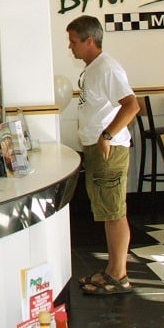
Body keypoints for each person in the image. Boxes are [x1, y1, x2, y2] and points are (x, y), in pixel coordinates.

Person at [67, 15, 139, 296]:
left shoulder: (107, 67)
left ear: (89, 40)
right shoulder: (93, 69)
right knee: (108, 212)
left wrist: (107, 136)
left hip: (109, 149)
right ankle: (112, 270)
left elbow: (131, 106)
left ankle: (120, 275)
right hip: (97, 148)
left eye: (73, 42)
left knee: (115, 211)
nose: (70, 47)